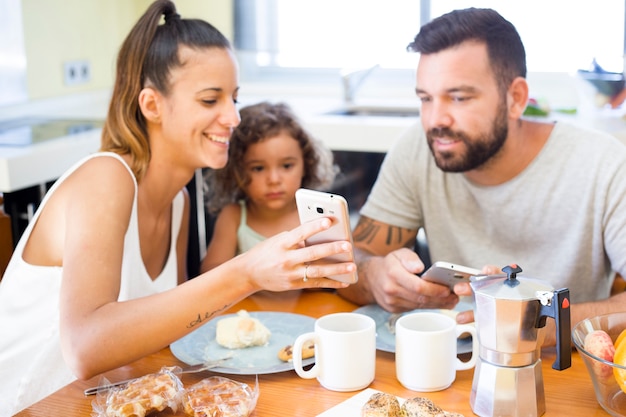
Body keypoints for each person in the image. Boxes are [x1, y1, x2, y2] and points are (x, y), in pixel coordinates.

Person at [0, 1, 355, 414]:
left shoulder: (179, 202)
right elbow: (84, 348)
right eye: (210, 100)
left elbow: (178, 325)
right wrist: (246, 272)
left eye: (234, 99)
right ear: (152, 105)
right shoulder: (105, 178)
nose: (234, 117)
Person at [337, 7, 626, 346]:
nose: (435, 120)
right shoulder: (419, 147)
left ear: (515, 98)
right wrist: (376, 277)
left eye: (458, 97)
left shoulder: (604, 164)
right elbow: (350, 262)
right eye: (425, 98)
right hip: (448, 362)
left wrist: (542, 325)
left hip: (564, 371)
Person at [201, 101, 337, 272]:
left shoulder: (315, 218)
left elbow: (334, 277)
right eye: (258, 168)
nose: (273, 180)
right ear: (237, 171)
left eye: (287, 166)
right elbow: (209, 274)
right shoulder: (234, 216)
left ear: (306, 165)